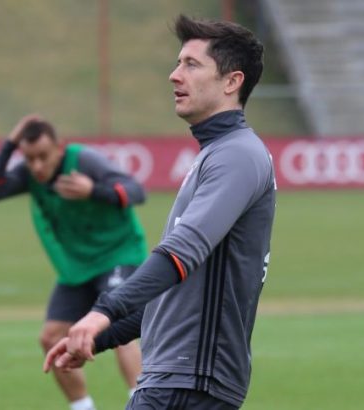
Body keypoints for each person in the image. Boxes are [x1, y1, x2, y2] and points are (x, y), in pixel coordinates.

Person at [44, 14, 276, 410]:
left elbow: (178, 255)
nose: (174, 75)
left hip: (189, 381)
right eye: (178, 62)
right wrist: (101, 338)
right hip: (177, 378)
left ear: (231, 82)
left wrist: (103, 311)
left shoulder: (237, 155)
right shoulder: (217, 154)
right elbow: (175, 295)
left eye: (191, 64)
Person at [0, 115, 147, 410]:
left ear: (59, 147)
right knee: (51, 337)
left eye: (43, 156)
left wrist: (94, 191)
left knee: (120, 329)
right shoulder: (31, 174)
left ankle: (144, 403)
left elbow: (136, 191)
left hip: (118, 254)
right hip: (77, 268)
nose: (37, 166)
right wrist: (10, 144)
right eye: (29, 158)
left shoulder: (84, 161)